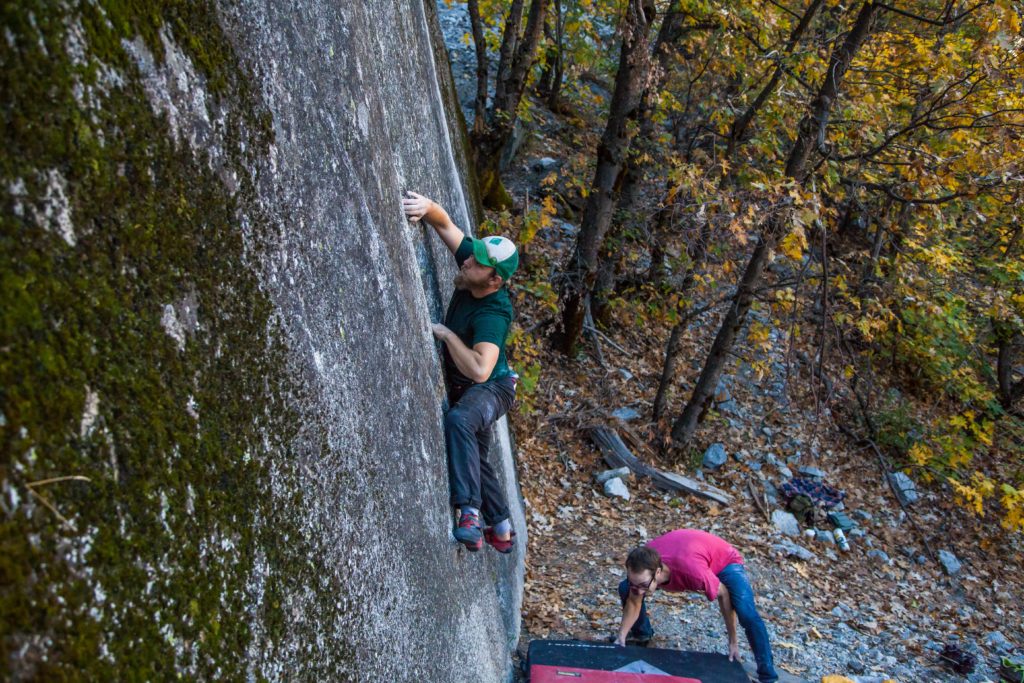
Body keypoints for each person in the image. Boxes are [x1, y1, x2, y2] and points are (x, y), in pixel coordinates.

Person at [402, 190, 519, 554]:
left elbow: (482, 370)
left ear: (494, 280)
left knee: (460, 421)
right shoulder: (474, 267)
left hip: (493, 388)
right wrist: (427, 207)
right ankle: (500, 526)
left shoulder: (493, 314)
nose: (466, 262)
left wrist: (448, 335)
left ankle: (469, 512)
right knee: (471, 453)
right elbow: (445, 223)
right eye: (471, 256)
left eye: (477, 263)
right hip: (470, 383)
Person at [614, 529, 778, 683]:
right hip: (692, 550)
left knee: (746, 613)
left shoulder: (692, 573)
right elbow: (634, 600)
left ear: (657, 572)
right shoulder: (642, 563)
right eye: (634, 583)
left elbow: (724, 594)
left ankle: (768, 675)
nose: (638, 589)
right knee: (625, 588)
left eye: (642, 585)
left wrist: (733, 641)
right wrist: (621, 636)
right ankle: (641, 634)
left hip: (725, 560)